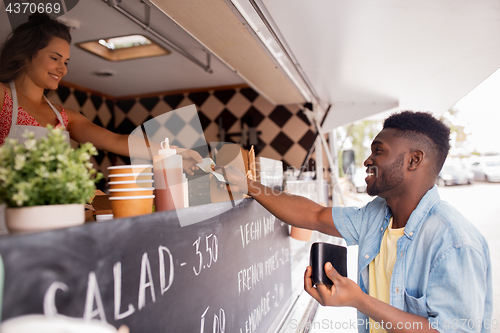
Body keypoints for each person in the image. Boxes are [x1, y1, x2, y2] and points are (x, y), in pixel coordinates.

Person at [222, 111, 492, 333]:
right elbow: (313, 215)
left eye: (378, 151)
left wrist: (358, 301)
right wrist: (248, 184)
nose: (367, 160)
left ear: (414, 160)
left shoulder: (455, 242)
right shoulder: (376, 216)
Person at [0, 13, 202, 174]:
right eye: (55, 58)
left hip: (53, 216)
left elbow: (117, 141)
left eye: (66, 62)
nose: (63, 69)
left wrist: (176, 152)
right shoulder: (3, 97)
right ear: (26, 55)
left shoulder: (64, 117)